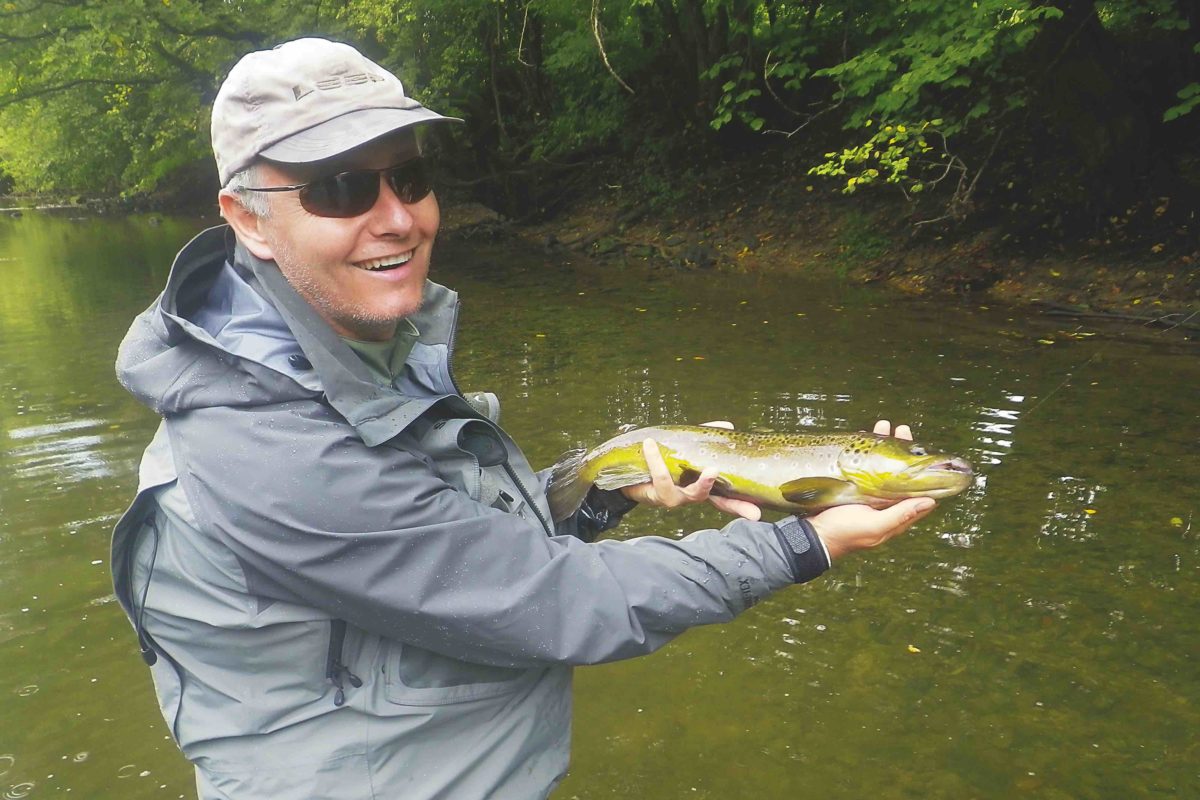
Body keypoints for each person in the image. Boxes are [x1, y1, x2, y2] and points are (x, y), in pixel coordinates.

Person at [110, 37, 937, 800]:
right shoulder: (267, 445)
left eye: (411, 177)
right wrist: (803, 542)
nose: (399, 216)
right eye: (342, 188)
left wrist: (605, 494)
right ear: (248, 217)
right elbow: (545, 598)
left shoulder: (357, 351)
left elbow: (446, 550)